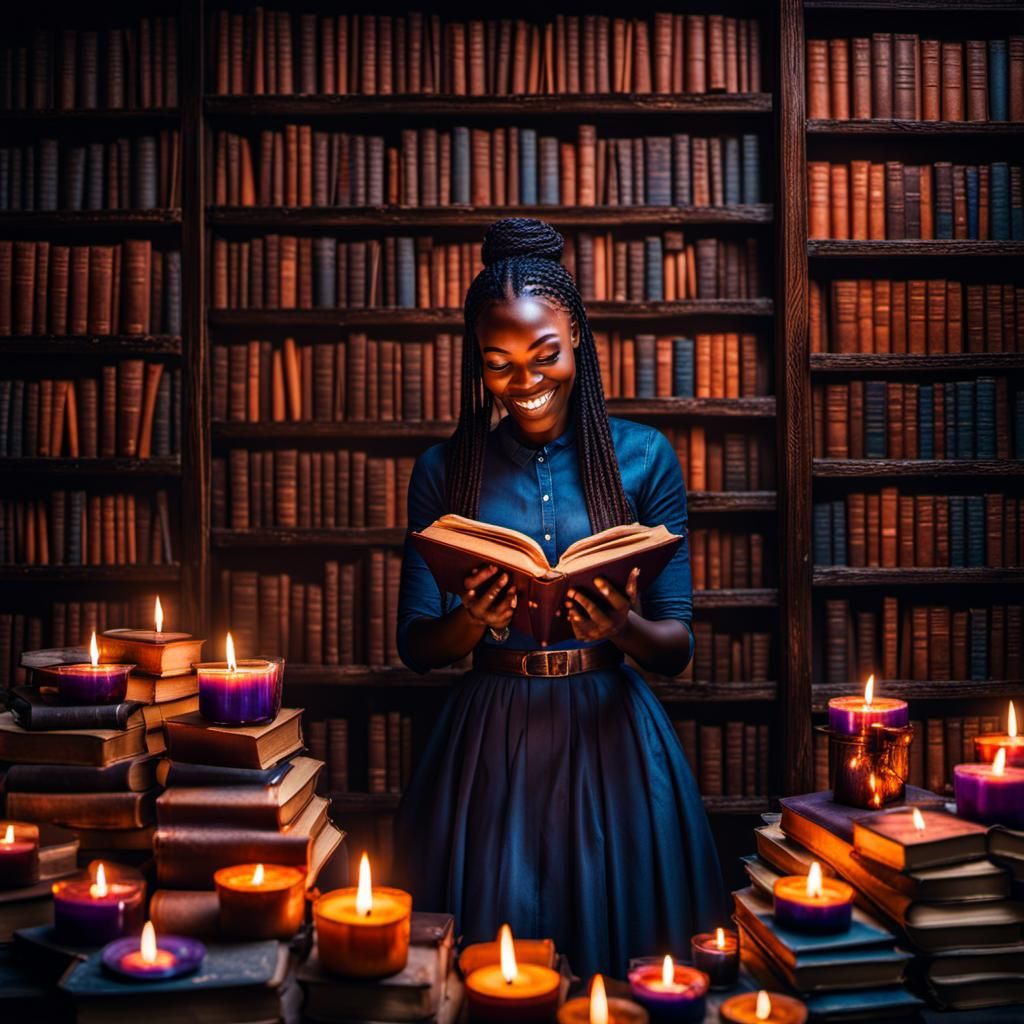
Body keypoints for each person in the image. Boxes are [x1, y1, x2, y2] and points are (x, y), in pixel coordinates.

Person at [393, 217, 726, 978]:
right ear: (477, 364)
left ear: (576, 336)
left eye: (545, 354)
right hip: (490, 740)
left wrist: (625, 627)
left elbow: (678, 648)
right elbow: (416, 645)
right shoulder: (445, 469)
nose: (525, 380)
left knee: (622, 951)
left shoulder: (644, 459)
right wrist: (469, 624)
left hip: (613, 739)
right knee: (493, 959)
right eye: (498, 362)